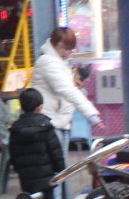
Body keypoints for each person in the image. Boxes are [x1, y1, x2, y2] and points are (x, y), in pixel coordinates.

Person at [31, 25, 101, 157]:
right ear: (53, 44)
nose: (67, 53)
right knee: (58, 168)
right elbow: (67, 90)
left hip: (58, 120)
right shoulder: (48, 62)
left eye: (70, 49)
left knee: (60, 168)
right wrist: (91, 114)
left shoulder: (59, 62)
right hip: (50, 120)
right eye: (63, 48)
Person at [7, 86, 65, 199]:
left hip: (26, 178)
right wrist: (60, 170)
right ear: (40, 108)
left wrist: (19, 170)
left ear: (22, 107)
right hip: (47, 177)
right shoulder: (46, 127)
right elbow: (56, 152)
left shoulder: (15, 129)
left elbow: (13, 153)